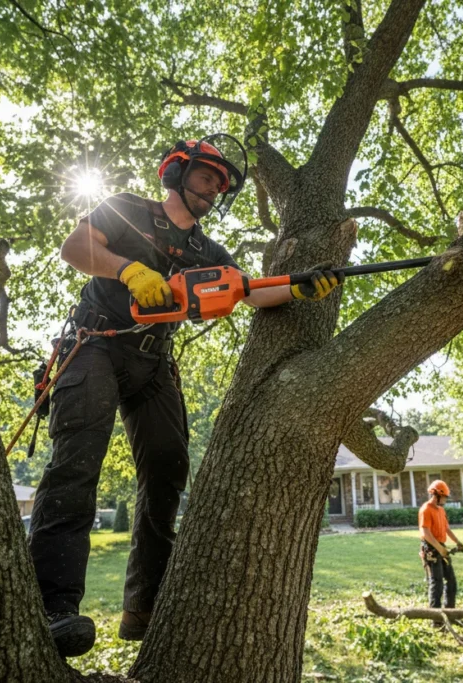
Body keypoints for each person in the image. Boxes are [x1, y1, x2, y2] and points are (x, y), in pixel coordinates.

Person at [27, 136, 342, 657]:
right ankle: (53, 606)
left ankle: (144, 606)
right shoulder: (126, 209)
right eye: (207, 178)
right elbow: (75, 248)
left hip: (153, 360)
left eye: (221, 186)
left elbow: (248, 290)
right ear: (177, 172)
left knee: (169, 467)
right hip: (94, 343)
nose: (214, 190)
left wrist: (299, 286)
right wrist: (128, 269)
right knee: (77, 461)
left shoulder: (207, 252)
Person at [419, 480, 463, 611]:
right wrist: (440, 549)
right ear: (436, 495)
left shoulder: (441, 510)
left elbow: (446, 528)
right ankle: (436, 616)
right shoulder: (426, 509)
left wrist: (457, 542)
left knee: (451, 580)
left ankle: (450, 611)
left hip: (441, 545)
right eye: (444, 497)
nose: (445, 500)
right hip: (430, 548)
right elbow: (425, 532)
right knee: (437, 582)